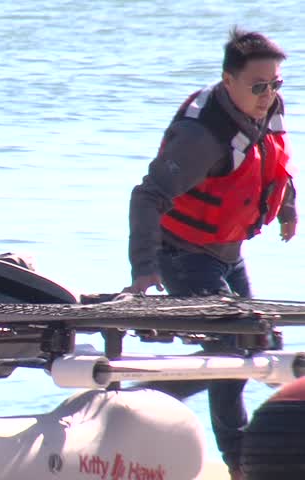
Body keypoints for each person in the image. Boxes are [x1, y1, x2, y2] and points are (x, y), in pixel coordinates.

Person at [124, 27, 297, 480]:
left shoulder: (266, 106)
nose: (269, 95)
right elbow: (145, 198)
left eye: (277, 83)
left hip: (227, 253)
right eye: (259, 86)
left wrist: (288, 208)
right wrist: (144, 270)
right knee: (233, 349)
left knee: (258, 345)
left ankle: (236, 459)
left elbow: (276, 161)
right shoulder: (202, 138)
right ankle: (138, 402)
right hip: (181, 254)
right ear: (228, 81)